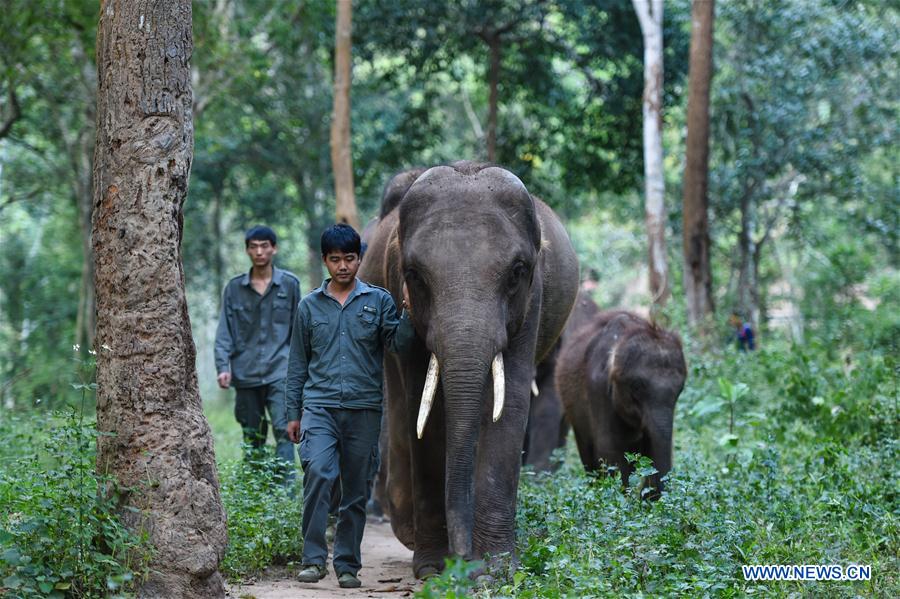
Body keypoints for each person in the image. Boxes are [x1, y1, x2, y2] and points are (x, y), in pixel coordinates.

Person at [286, 223, 414, 589]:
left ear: (359, 259)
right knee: (320, 474)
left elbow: (397, 345)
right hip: (320, 408)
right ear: (325, 260)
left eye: (350, 259)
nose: (343, 266)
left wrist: (408, 311)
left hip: (363, 410)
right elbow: (297, 364)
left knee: (356, 490)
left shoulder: (378, 301)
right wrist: (292, 413)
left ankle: (346, 565)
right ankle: (313, 559)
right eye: (335, 259)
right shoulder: (309, 306)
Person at [215, 225, 302, 483]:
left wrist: (302, 370)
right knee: (252, 434)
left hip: (280, 371)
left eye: (264, 246)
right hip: (246, 373)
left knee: (285, 430)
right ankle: (255, 492)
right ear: (247, 251)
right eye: (253, 246)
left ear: (274, 248)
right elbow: (224, 332)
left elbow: (300, 330)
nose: (259, 251)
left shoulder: (290, 284)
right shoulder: (234, 289)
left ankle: (283, 491)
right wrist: (223, 366)